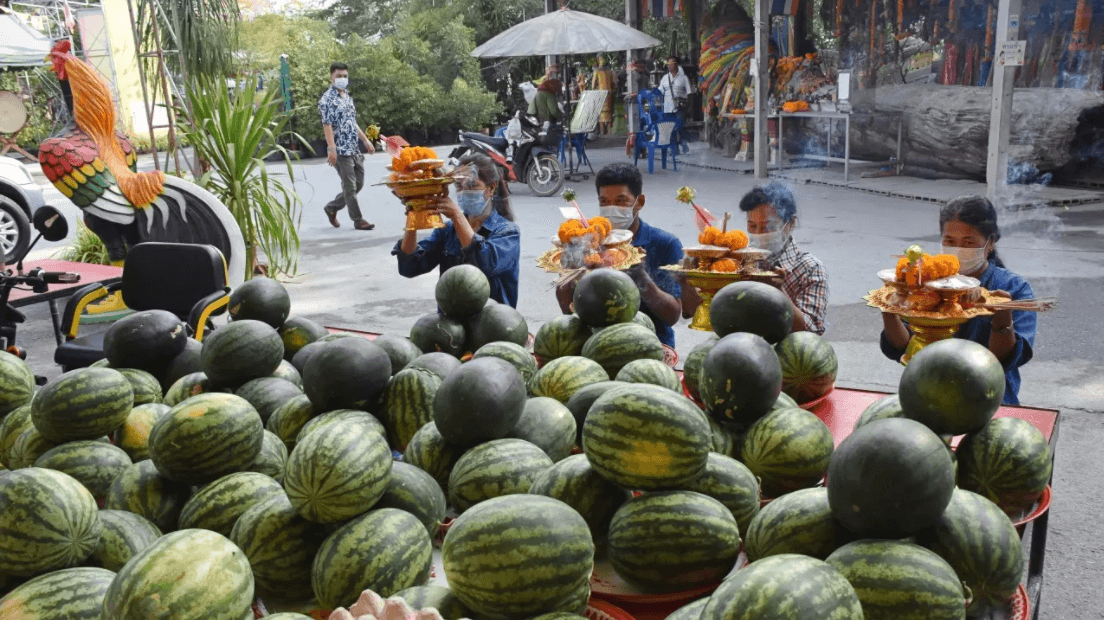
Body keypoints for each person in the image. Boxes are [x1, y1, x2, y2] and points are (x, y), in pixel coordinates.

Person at [880, 195, 1036, 405]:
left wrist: (1002, 315)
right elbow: (904, 346)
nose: (958, 249)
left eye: (968, 242)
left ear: (990, 243)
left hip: (988, 398)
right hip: (928, 392)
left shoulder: (1014, 289)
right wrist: (888, 309)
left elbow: (1004, 360)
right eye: (950, 241)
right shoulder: (925, 281)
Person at [555, 163, 685, 347]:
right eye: (604, 202)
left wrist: (640, 276)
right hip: (598, 345)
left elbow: (672, 316)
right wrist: (570, 270)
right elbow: (567, 310)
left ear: (639, 202)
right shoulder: (589, 241)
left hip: (650, 345)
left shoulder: (664, 244)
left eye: (621, 200)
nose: (611, 208)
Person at [394, 153, 521, 307]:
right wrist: (414, 213)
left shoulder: (508, 232)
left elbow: (484, 264)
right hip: (452, 322)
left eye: (472, 186)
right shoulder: (448, 230)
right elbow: (410, 267)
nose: (463, 192)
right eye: (459, 186)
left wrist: (457, 216)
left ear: (491, 188)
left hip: (493, 323)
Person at [738, 181, 829, 335]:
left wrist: (778, 290)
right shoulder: (739, 260)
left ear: (790, 223)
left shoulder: (810, 269)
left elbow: (811, 331)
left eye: (769, 226)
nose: (760, 233)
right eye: (752, 226)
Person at [318, 62, 376, 231]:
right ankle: (358, 220)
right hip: (340, 150)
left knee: (358, 184)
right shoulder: (326, 100)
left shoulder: (347, 97)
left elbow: (352, 122)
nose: (342, 79)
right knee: (350, 186)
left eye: (345, 76)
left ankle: (332, 207)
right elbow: (327, 125)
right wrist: (332, 149)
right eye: (339, 76)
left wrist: (365, 140)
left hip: (353, 147)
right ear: (331, 77)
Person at [658, 56, 692, 153]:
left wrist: (689, 107)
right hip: (668, 108)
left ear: (676, 64)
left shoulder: (683, 78)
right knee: (671, 128)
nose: (670, 65)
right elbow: (660, 90)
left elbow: (689, 93)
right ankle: (675, 149)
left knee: (679, 126)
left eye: (672, 63)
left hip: (680, 107)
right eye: (668, 64)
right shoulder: (665, 78)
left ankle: (683, 142)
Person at [591, 55, 617, 135]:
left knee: (601, 112)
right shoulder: (610, 72)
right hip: (609, 94)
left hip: (601, 94)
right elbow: (613, 84)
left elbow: (593, 86)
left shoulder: (597, 72)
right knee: (608, 112)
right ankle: (609, 131)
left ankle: (602, 132)